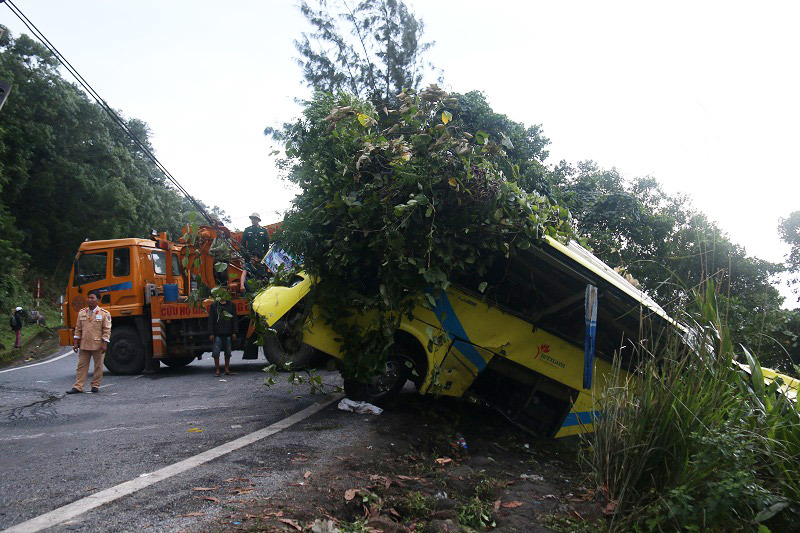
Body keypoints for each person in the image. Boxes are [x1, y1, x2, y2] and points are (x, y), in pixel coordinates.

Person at [67, 291, 112, 394]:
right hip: (84, 344)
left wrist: (104, 343)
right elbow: (78, 329)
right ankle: (78, 386)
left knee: (98, 366)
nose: (89, 300)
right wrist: (75, 342)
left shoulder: (104, 314)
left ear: (98, 300)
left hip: (98, 344)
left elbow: (107, 329)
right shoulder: (82, 313)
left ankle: (95, 385)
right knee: (81, 366)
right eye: (88, 298)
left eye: (92, 298)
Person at [208, 297, 237, 377]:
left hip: (228, 333)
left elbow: (234, 319)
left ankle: (227, 369)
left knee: (228, 353)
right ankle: (217, 370)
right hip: (217, 333)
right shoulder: (214, 305)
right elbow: (211, 320)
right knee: (216, 353)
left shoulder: (231, 305)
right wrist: (211, 333)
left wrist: (234, 332)